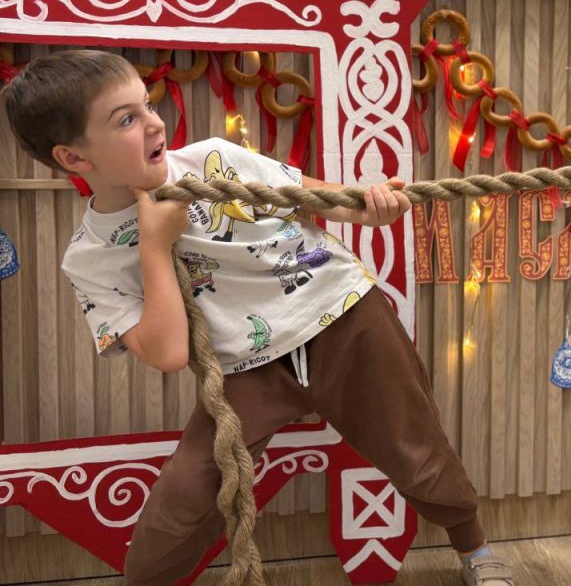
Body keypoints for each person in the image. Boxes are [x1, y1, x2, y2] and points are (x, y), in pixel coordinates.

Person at [2, 49, 515, 586]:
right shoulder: (90, 258)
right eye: (126, 119)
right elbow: (170, 353)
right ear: (74, 157)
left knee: (416, 451)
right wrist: (154, 245)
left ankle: (475, 550)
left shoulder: (214, 160)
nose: (155, 123)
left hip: (342, 317)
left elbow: (316, 198)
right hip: (245, 369)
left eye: (147, 104)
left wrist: (370, 205)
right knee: (185, 500)